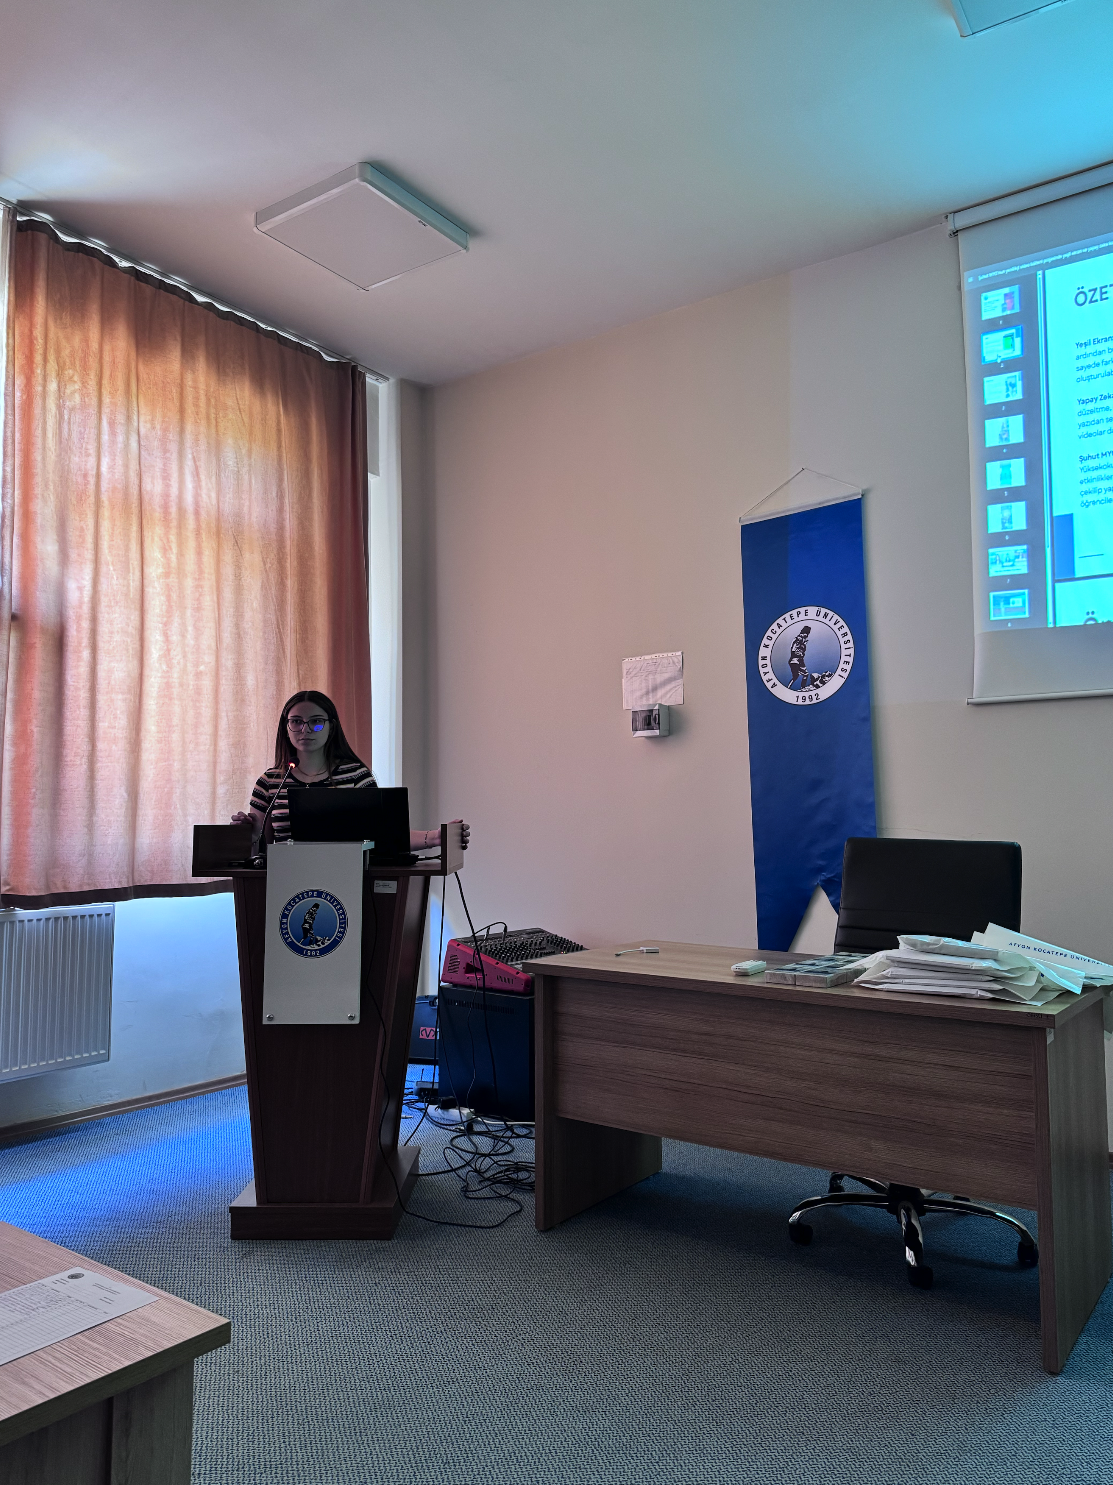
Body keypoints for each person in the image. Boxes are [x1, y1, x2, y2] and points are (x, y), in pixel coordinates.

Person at [232, 690, 469, 853]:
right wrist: (250, 835)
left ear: (331, 727)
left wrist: (435, 837)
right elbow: (259, 849)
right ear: (286, 727)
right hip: (287, 882)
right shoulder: (270, 781)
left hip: (349, 881)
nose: (305, 729)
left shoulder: (356, 776)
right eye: (296, 721)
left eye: (316, 721)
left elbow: (384, 836)